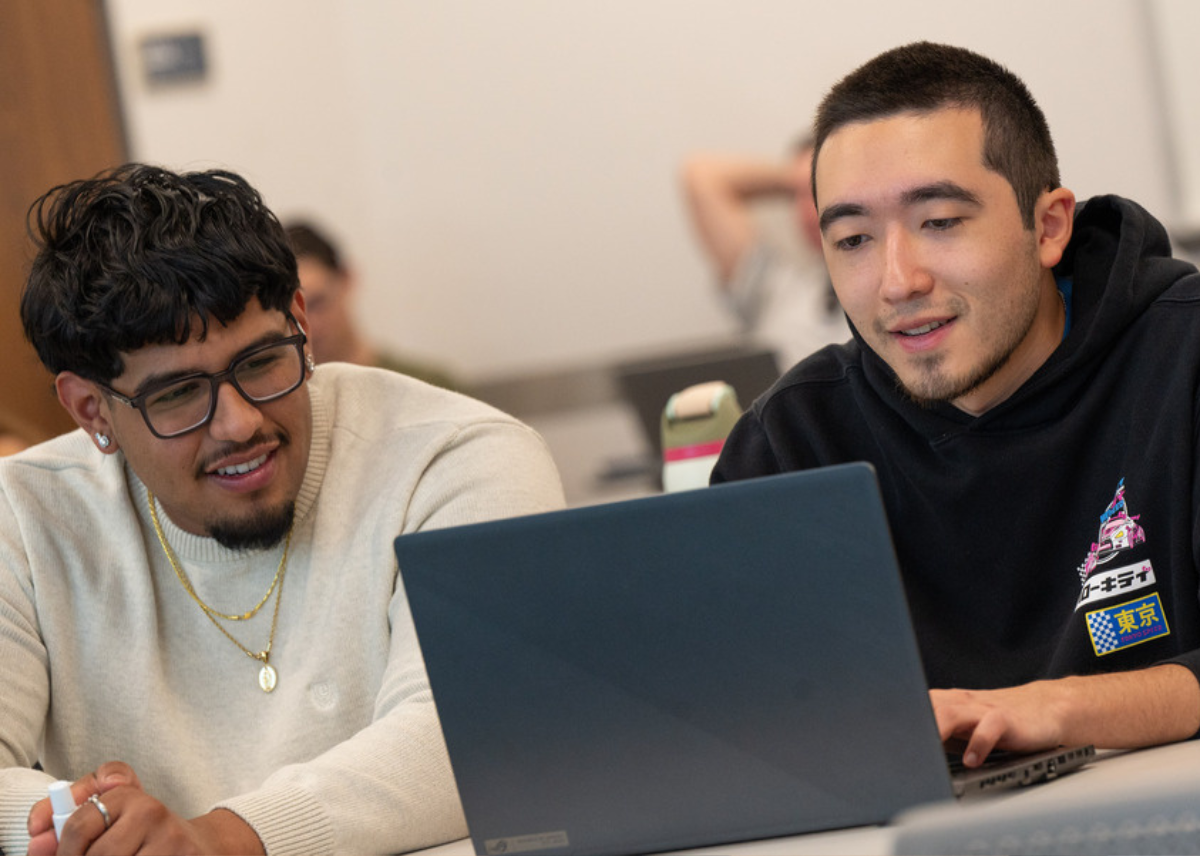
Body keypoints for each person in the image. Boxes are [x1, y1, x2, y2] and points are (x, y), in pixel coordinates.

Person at [0, 164, 564, 855]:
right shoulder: (24, 516)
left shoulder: (457, 458)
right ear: (93, 411)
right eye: (178, 394)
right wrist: (82, 826)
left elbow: (478, 727)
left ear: (299, 320)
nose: (237, 423)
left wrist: (221, 841)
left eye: (262, 362)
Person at [712, 42, 1200, 769]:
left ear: (1050, 227)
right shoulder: (791, 441)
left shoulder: (1183, 358)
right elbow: (722, 726)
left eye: (940, 221)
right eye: (852, 239)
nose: (896, 280)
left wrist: (1056, 706)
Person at [681, 138, 849, 368]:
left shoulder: (896, 285)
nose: (806, 209)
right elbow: (700, 174)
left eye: (819, 189)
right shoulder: (779, 287)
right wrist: (798, 173)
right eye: (796, 195)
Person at [284, 221, 460, 390]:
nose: (311, 324)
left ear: (346, 279)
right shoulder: (289, 409)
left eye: (318, 303)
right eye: (295, 313)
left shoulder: (429, 385)